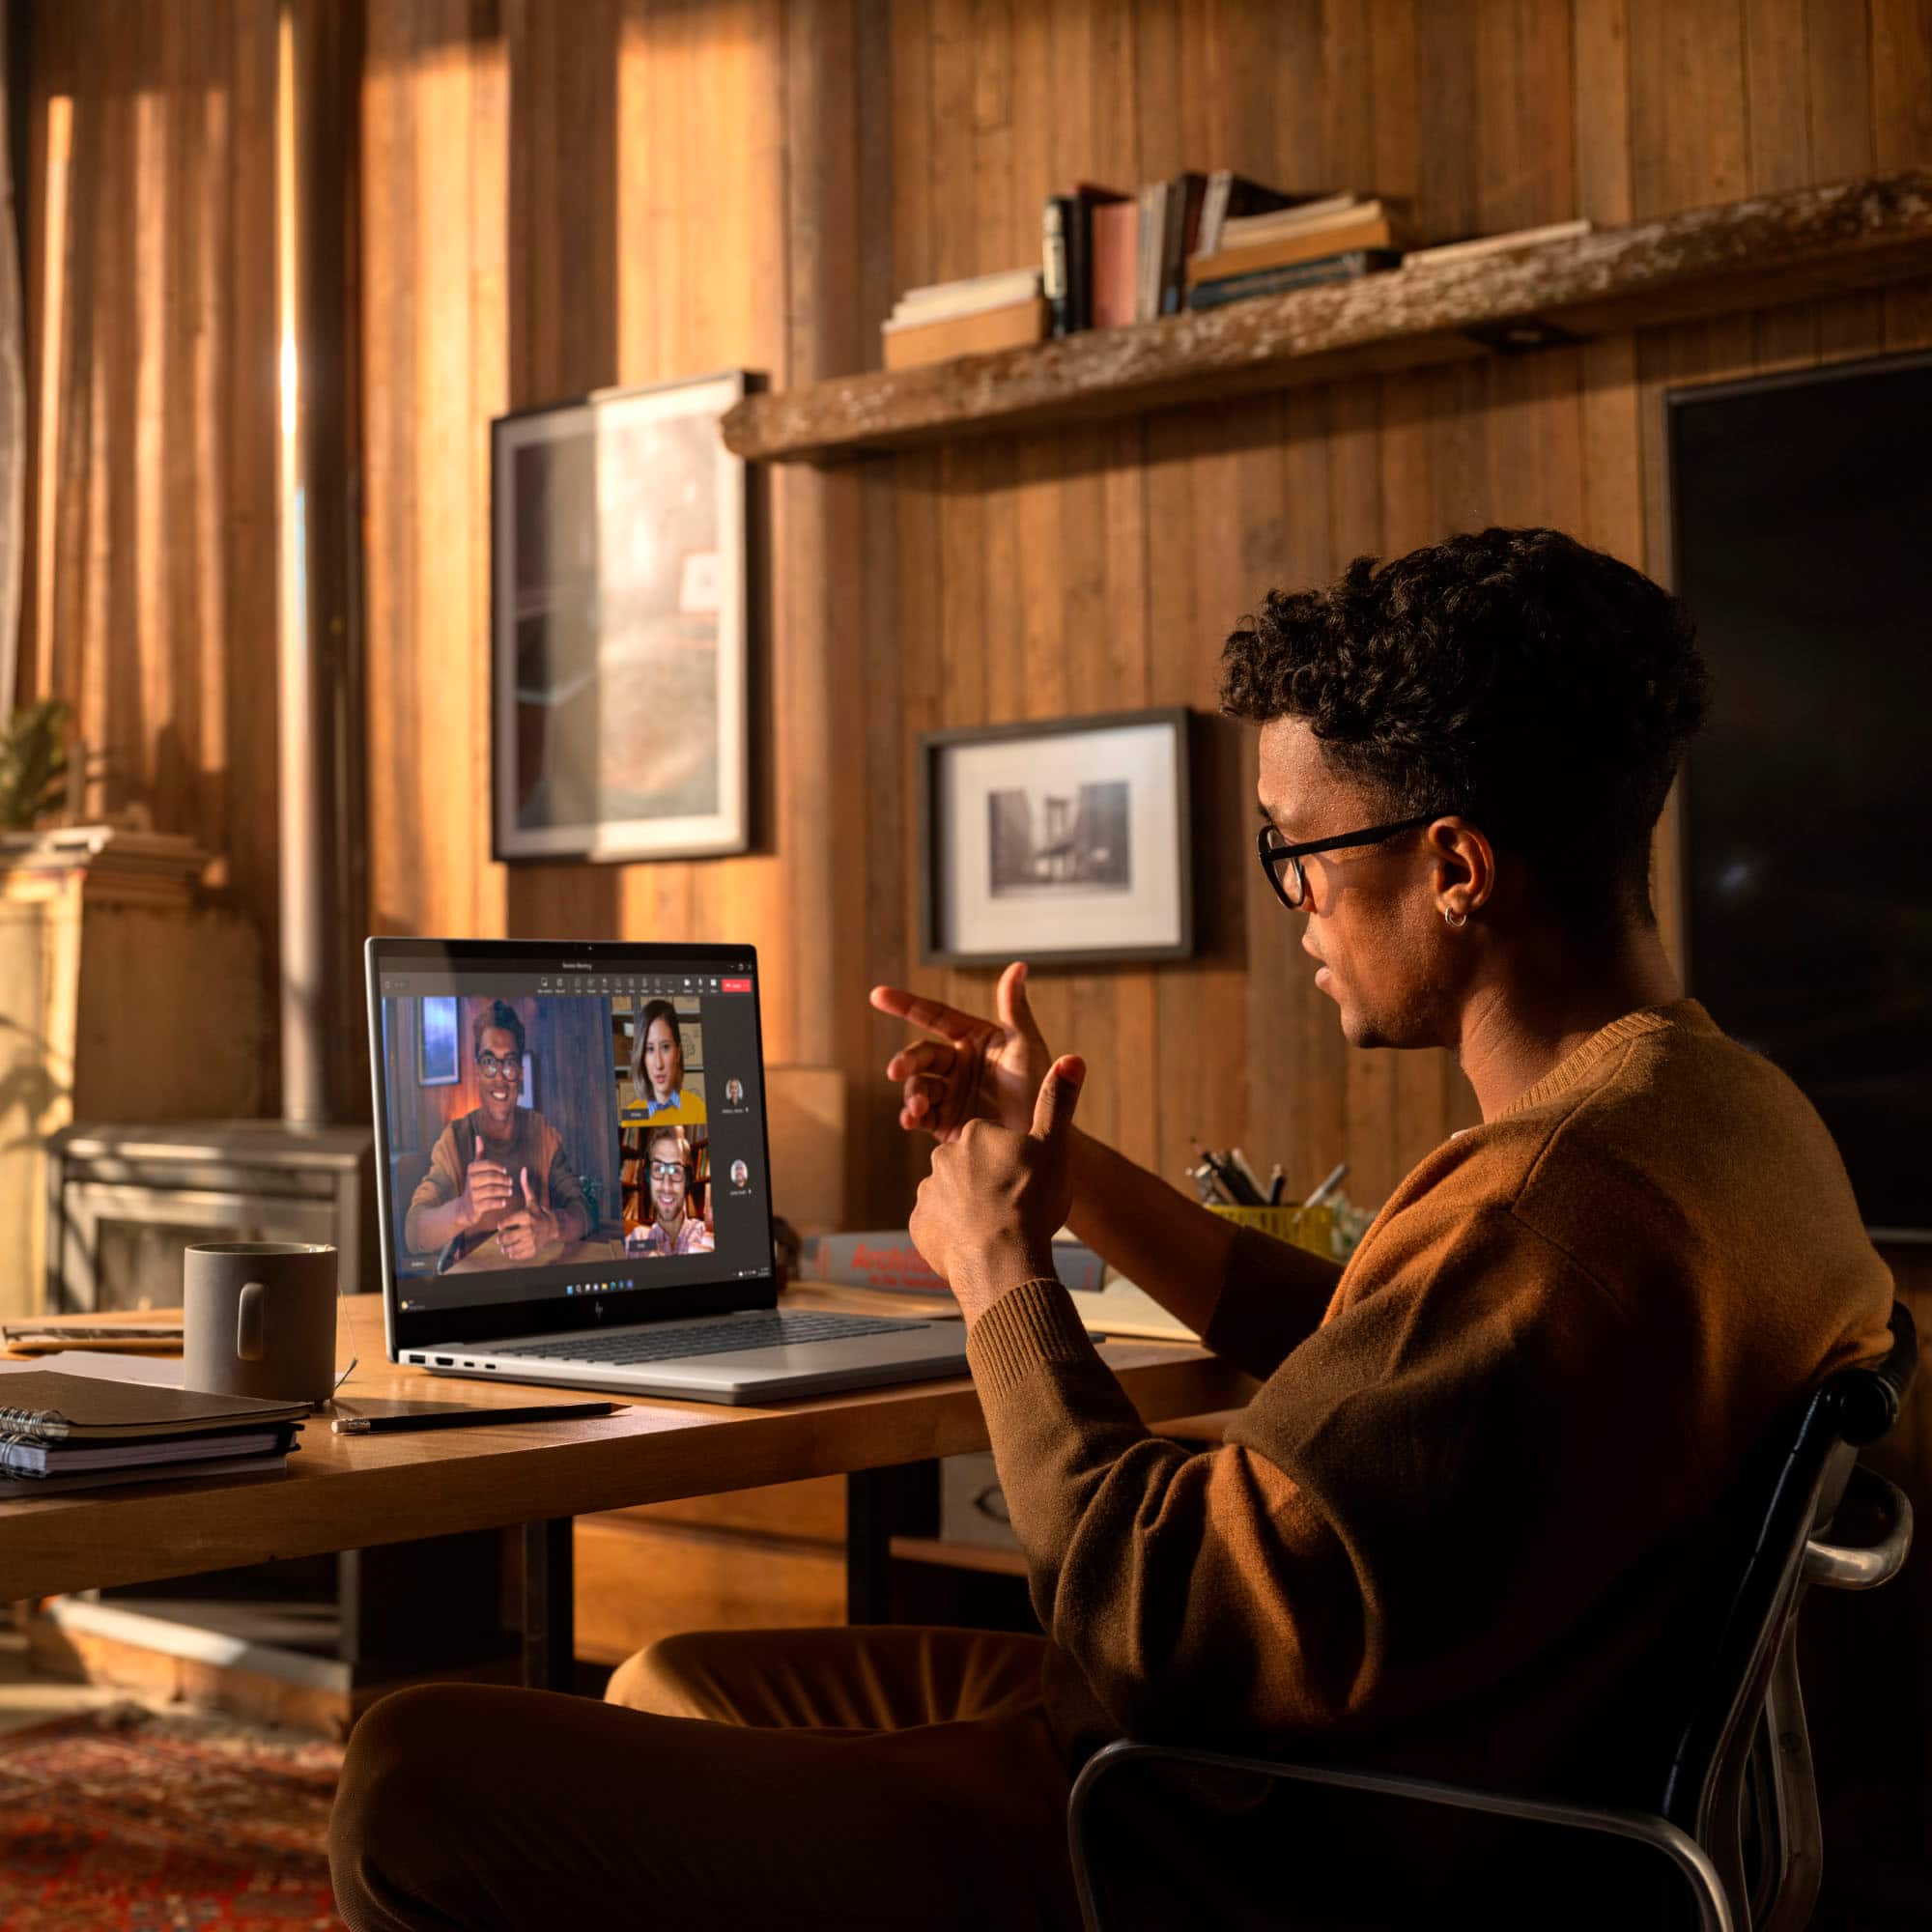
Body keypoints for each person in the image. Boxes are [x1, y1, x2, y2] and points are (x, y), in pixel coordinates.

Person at [333, 529, 1894, 1931]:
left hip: (1199, 1836)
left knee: (410, 1774)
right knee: (671, 1676)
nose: (1294, 904)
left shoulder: (1555, 1205)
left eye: (1297, 852)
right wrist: (1068, 1177)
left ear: (1455, 868)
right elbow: (1389, 1354)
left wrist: (1002, 1273)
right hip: (1337, 1771)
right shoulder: (1708, 1117)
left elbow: (1161, 1620)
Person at [404, 1000, 591, 1268]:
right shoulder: (455, 1139)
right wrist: (463, 1210)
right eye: (490, 1062)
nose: (500, 1078)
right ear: (478, 1070)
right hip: (479, 1284)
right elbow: (414, 1232)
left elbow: (584, 1210)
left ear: (520, 1074)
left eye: (510, 1064)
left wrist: (552, 1226)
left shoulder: (542, 1133)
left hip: (538, 1279)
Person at [624, 1125, 714, 1257]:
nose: (666, 1186)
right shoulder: (637, 1240)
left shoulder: (704, 1234)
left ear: (687, 1180)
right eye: (658, 1169)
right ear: (648, 1178)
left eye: (675, 1170)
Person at [627, 998, 706, 1124]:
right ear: (642, 1057)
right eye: (650, 1049)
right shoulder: (631, 1117)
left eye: (665, 1047)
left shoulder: (698, 1110)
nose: (659, 1064)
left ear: (678, 1053)